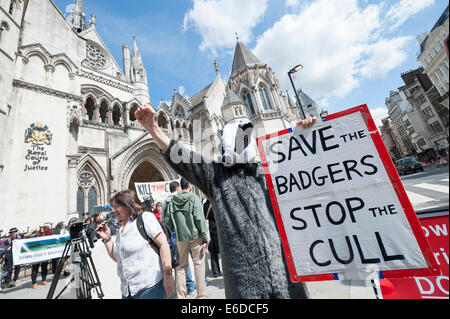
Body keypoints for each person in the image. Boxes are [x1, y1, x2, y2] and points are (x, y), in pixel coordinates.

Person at [135, 104, 315, 299]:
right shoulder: (216, 176)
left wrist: (305, 136)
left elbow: (308, 181)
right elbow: (182, 157)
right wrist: (153, 127)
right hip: (245, 287)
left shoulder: (267, 173)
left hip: (288, 280)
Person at [95, 189, 174, 299]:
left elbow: (163, 244)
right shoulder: (120, 229)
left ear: (128, 205)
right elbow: (118, 258)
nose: (114, 210)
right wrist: (107, 239)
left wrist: (168, 275)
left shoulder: (145, 218)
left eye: (117, 206)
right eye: (113, 207)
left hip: (150, 288)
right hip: (127, 291)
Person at [165, 177, 210, 299]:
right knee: (198, 265)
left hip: (180, 237)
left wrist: (175, 231)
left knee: (181, 267)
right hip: (195, 236)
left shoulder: (173, 200)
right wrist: (206, 236)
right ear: (189, 185)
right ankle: (201, 295)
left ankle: (181, 296)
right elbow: (199, 219)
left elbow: (168, 221)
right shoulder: (194, 198)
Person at [162, 180, 196, 294]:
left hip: (174, 234)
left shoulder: (165, 202)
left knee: (181, 260)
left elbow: (164, 219)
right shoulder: (185, 197)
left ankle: (186, 288)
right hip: (189, 230)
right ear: (177, 188)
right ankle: (194, 285)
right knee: (195, 259)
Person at [203, 198, 221, 278]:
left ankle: (215, 272)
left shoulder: (205, 204)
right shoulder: (217, 202)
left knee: (213, 253)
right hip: (219, 227)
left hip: (210, 228)